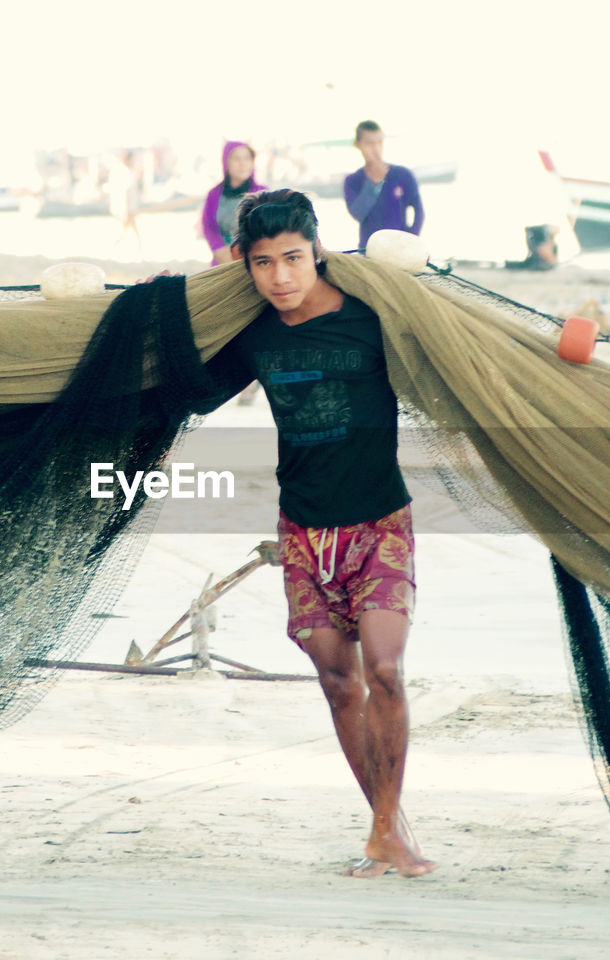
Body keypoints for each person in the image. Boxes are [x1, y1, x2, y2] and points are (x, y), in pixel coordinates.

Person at [209, 189, 435, 878]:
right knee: (340, 684)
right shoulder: (255, 335)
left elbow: (450, 357)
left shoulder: (371, 320)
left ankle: (386, 832)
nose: (280, 277)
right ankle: (387, 830)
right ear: (245, 267)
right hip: (303, 531)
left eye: (293, 259)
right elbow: (184, 384)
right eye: (263, 264)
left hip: (378, 522)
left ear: (317, 251)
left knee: (386, 670)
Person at [343, 120, 423, 251]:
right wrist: (373, 184)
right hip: (369, 250)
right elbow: (357, 214)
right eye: (369, 144)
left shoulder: (402, 174)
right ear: (358, 145)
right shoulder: (353, 180)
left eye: (379, 142)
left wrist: (411, 241)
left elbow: (419, 212)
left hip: (400, 249)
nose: (376, 149)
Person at [200, 140, 265, 265]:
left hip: (254, 260)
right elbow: (208, 226)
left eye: (247, 158)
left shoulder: (262, 193)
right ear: (225, 161)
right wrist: (218, 249)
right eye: (236, 158)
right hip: (222, 260)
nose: (242, 164)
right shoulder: (214, 194)